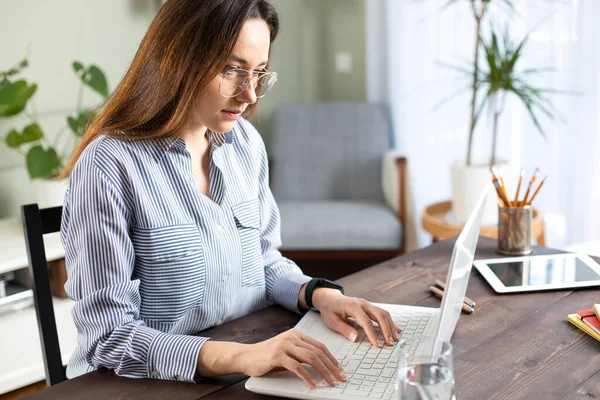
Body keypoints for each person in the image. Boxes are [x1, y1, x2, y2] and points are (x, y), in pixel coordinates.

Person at [58, 0, 402, 388]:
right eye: (232, 70)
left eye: (259, 74)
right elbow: (109, 336)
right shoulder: (108, 166)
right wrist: (243, 356)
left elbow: (263, 262)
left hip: (240, 369)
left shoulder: (245, 144)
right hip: (141, 385)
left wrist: (322, 297)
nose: (250, 95)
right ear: (179, 59)